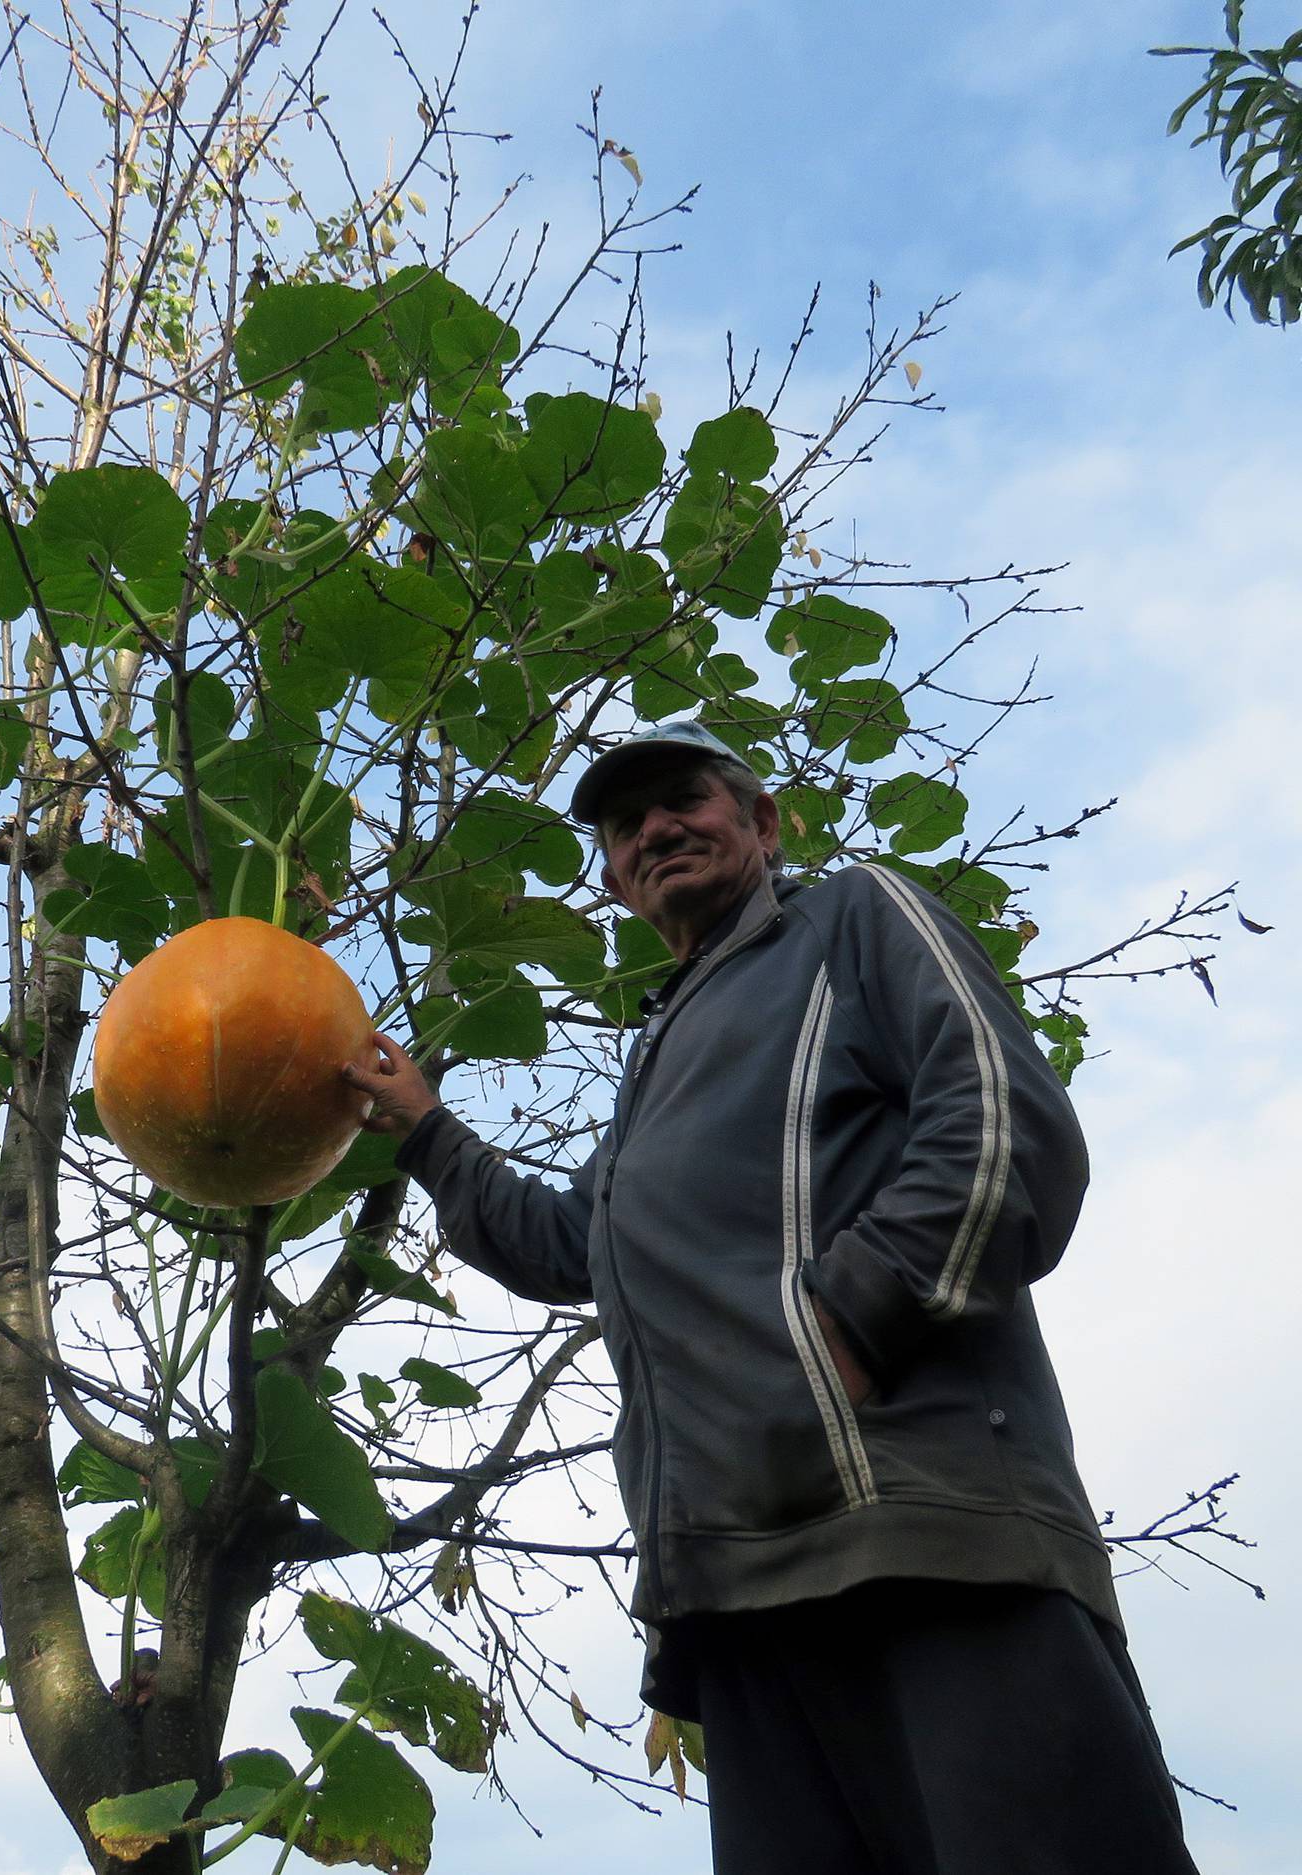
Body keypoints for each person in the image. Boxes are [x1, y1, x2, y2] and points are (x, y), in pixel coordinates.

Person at [341, 719, 1199, 1875]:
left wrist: (862, 1308)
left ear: (761, 822)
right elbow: (571, 1244)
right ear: (612, 875)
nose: (655, 829)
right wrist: (429, 1135)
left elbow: (1003, 1118)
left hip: (924, 1530)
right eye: (624, 824)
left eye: (683, 798)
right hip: (732, 1585)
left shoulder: (853, 918)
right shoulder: (654, 1062)